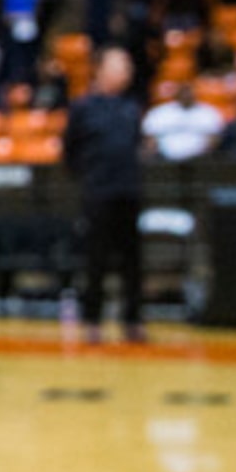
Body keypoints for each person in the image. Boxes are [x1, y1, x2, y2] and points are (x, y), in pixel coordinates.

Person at [61, 47, 149, 344]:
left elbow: (136, 145)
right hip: (98, 192)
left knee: (132, 261)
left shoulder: (131, 107)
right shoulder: (83, 107)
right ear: (100, 70)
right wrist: (89, 178)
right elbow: (69, 153)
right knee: (95, 260)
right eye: (120, 65)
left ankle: (133, 321)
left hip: (129, 190)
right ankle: (92, 321)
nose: (127, 71)